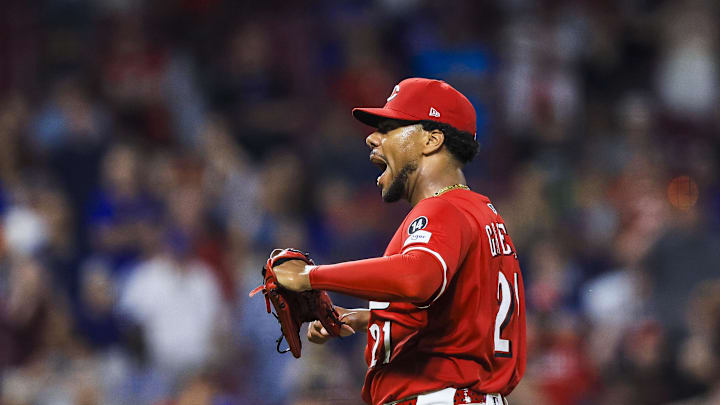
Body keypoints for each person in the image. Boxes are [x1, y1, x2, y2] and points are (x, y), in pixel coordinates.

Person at [273, 78, 526, 405]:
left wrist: (310, 277)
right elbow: (458, 315)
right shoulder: (480, 212)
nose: (372, 138)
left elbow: (417, 278)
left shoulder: (443, 209)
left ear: (432, 140)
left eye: (390, 127)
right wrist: (364, 318)